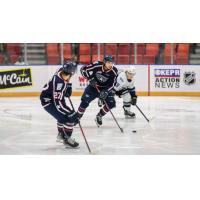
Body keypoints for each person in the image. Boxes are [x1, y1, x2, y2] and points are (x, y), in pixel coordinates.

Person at [40, 60, 79, 148]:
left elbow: (65, 80)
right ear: (71, 72)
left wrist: (67, 86)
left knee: (62, 117)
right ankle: (67, 138)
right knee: (68, 119)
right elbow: (59, 104)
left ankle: (61, 134)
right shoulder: (59, 84)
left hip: (52, 97)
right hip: (48, 101)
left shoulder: (61, 70)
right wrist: (71, 113)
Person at [77, 55, 118, 127]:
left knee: (111, 104)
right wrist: (90, 78)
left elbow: (113, 84)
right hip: (93, 88)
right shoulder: (97, 65)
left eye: (112, 63)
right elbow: (83, 69)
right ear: (104, 62)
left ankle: (99, 115)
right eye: (108, 62)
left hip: (104, 89)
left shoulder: (114, 71)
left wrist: (106, 91)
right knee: (84, 102)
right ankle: (76, 118)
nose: (110, 65)